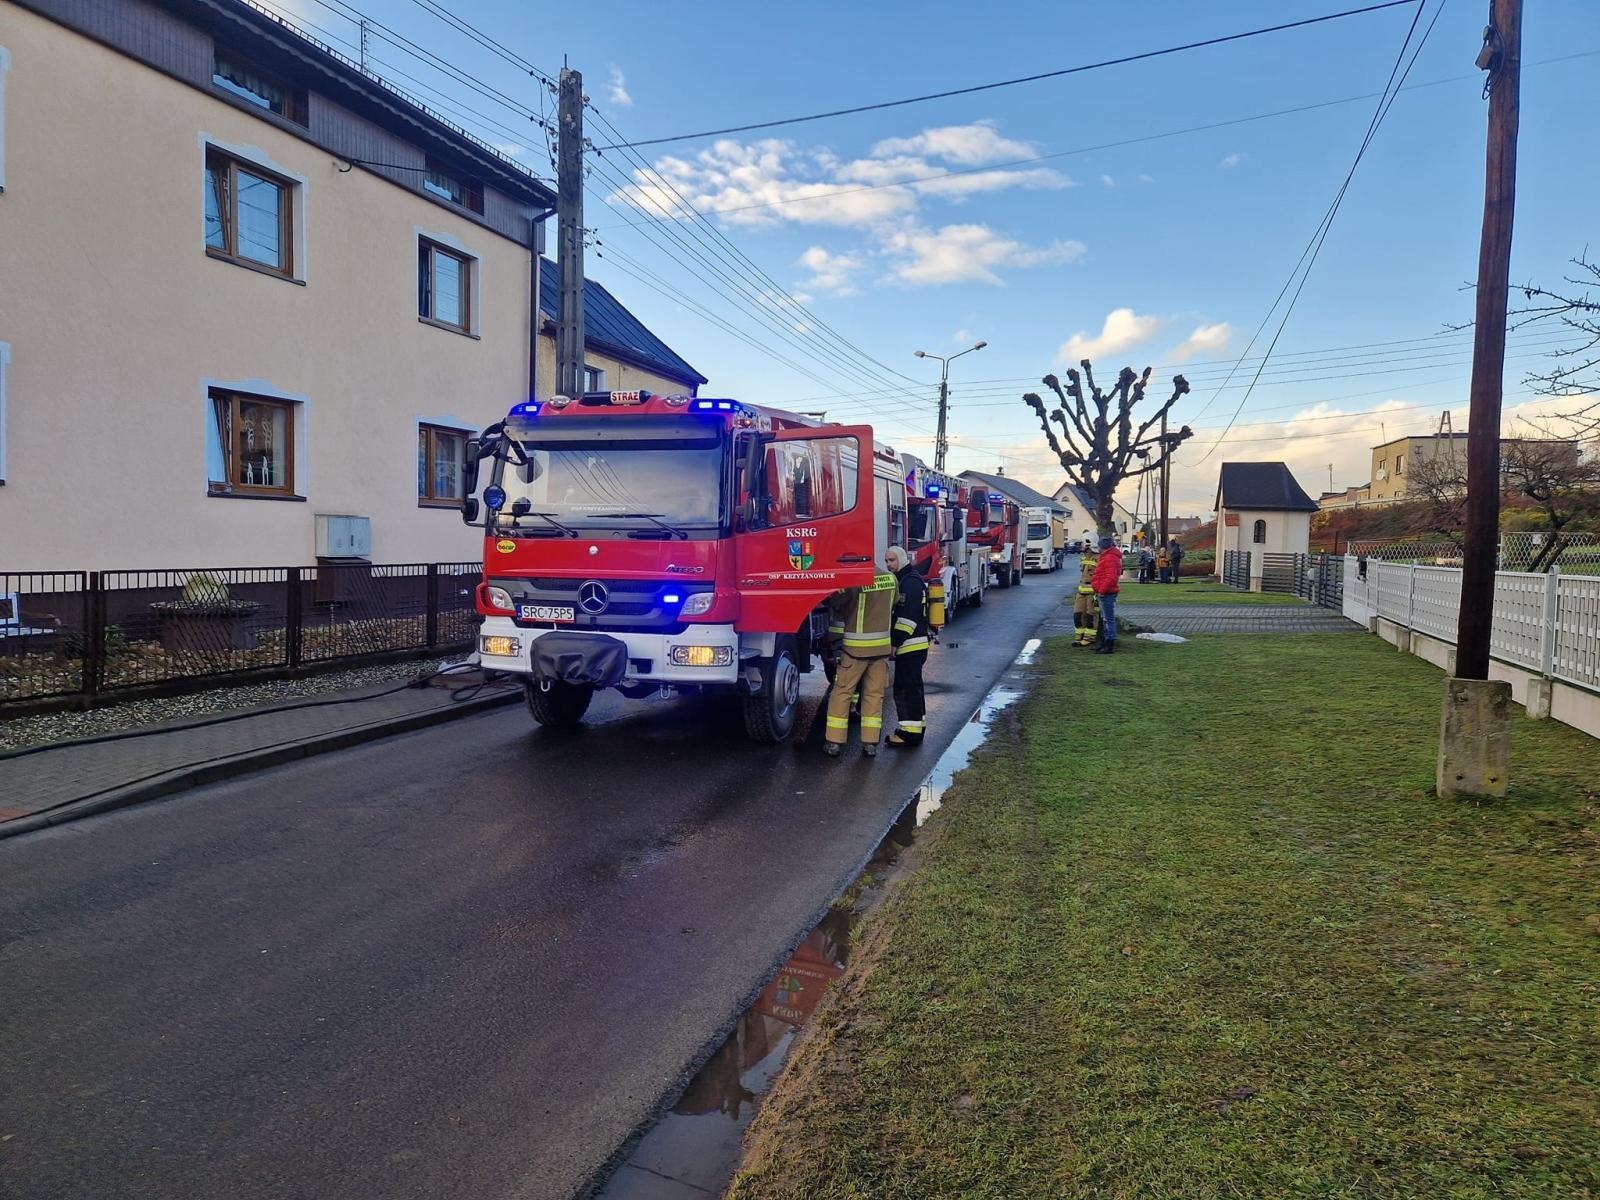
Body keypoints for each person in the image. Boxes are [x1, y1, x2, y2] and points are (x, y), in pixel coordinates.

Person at [823, 562, 898, 757]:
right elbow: (894, 603)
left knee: (842, 693)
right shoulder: (891, 579)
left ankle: (834, 743)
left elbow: (836, 602)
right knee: (874, 695)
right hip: (881, 650)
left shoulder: (855, 579)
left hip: (855, 649)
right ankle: (870, 744)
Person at [884, 546, 930, 748]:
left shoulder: (909, 583)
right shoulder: (906, 580)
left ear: (902, 559)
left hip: (910, 646)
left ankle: (909, 734)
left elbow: (907, 619)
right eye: (886, 561)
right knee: (912, 688)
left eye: (892, 560)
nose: (889, 564)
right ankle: (915, 729)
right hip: (912, 645)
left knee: (906, 690)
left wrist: (895, 642)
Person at [1091, 535, 1123, 654]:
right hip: (1106, 592)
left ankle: (1109, 643)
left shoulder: (1109, 558)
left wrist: (1101, 590)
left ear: (1102, 547)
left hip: (1107, 593)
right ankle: (1105, 642)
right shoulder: (1109, 556)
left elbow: (1111, 578)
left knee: (1108, 619)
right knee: (1106, 619)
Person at [1072, 543, 1099, 646]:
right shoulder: (1084, 558)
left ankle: (1089, 638)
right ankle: (1079, 637)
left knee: (1090, 616)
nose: (1085, 548)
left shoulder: (1099, 558)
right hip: (1081, 590)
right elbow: (1083, 571)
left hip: (1093, 592)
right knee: (1077, 615)